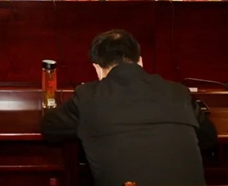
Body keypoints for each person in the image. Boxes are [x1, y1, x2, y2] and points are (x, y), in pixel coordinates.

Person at [41, 30, 217, 186]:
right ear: (140, 61)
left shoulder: (88, 96)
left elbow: (49, 127)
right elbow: (208, 137)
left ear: (97, 68)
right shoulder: (179, 92)